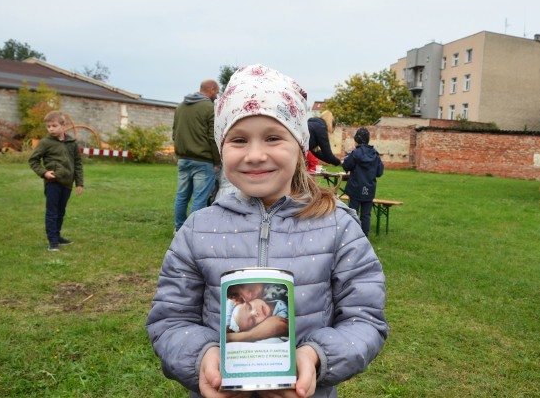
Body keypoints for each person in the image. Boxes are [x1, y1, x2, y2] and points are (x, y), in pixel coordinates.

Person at [146, 64, 388, 398]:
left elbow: (365, 320)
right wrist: (203, 356)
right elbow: (170, 320)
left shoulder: (338, 226)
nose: (255, 155)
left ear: (300, 146)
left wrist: (315, 357)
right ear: (221, 146)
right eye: (239, 140)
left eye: (273, 138)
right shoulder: (197, 229)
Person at [28, 111, 84, 251]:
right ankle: (52, 242)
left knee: (60, 212)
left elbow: (77, 163)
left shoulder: (72, 143)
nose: (51, 129)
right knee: (52, 212)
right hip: (53, 183)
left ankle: (58, 237)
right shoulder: (45, 143)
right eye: (48, 126)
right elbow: (33, 160)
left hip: (67, 183)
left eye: (54, 125)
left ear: (64, 125)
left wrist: (79, 182)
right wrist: (44, 173)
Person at [173, 79, 221, 234]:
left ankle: (179, 228)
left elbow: (175, 132)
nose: (217, 94)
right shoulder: (209, 107)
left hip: (183, 159)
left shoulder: (180, 106)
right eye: (217, 91)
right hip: (203, 160)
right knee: (200, 198)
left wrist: (179, 154)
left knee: (182, 196)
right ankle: (191, 231)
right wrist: (217, 160)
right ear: (212, 89)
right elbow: (212, 136)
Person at [342, 127, 384, 236]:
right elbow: (379, 172)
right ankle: (364, 237)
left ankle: (352, 236)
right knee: (366, 215)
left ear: (356, 139)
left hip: (356, 187)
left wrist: (349, 154)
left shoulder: (355, 153)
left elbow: (346, 165)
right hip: (369, 189)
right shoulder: (375, 154)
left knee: (353, 213)